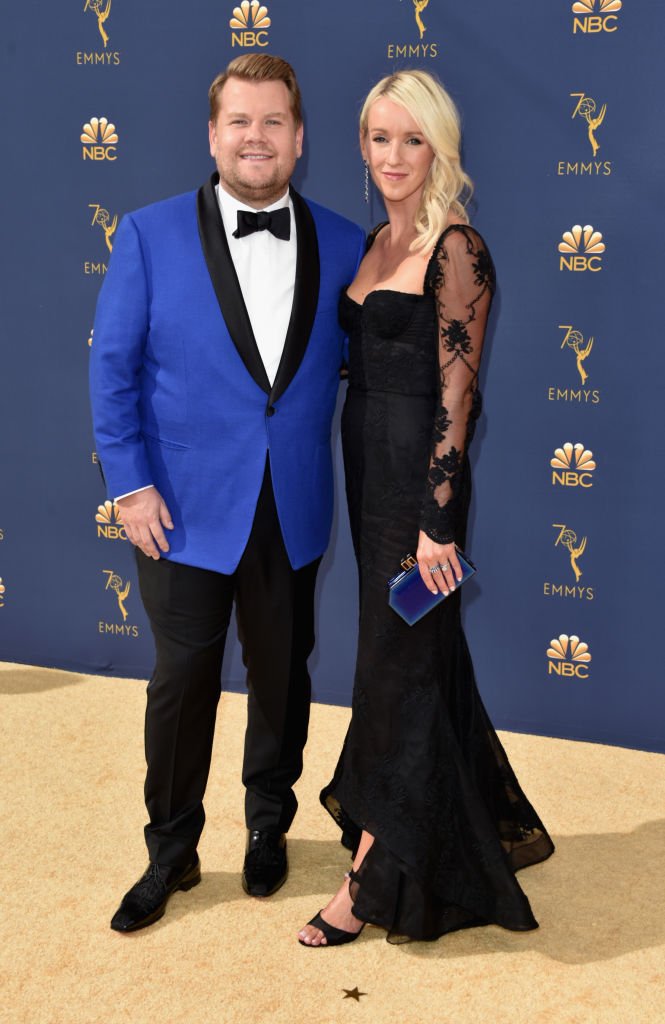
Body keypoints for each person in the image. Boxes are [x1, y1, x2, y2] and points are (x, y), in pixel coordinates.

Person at [89, 53, 365, 933]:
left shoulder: (346, 241)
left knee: (281, 680)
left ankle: (267, 824)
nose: (256, 137)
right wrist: (129, 484)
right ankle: (169, 851)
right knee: (181, 685)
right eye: (239, 122)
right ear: (213, 135)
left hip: (293, 504)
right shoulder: (146, 231)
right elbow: (112, 368)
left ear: (299, 137)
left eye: (273, 121)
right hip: (178, 507)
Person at [298, 70, 554, 947]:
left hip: (420, 484)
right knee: (409, 655)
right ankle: (462, 814)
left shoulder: (457, 248)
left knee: (396, 670)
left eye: (411, 139)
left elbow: (457, 396)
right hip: (367, 471)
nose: (392, 156)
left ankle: (370, 877)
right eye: (378, 137)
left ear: (440, 146)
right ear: (361, 145)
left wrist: (436, 520)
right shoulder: (375, 242)